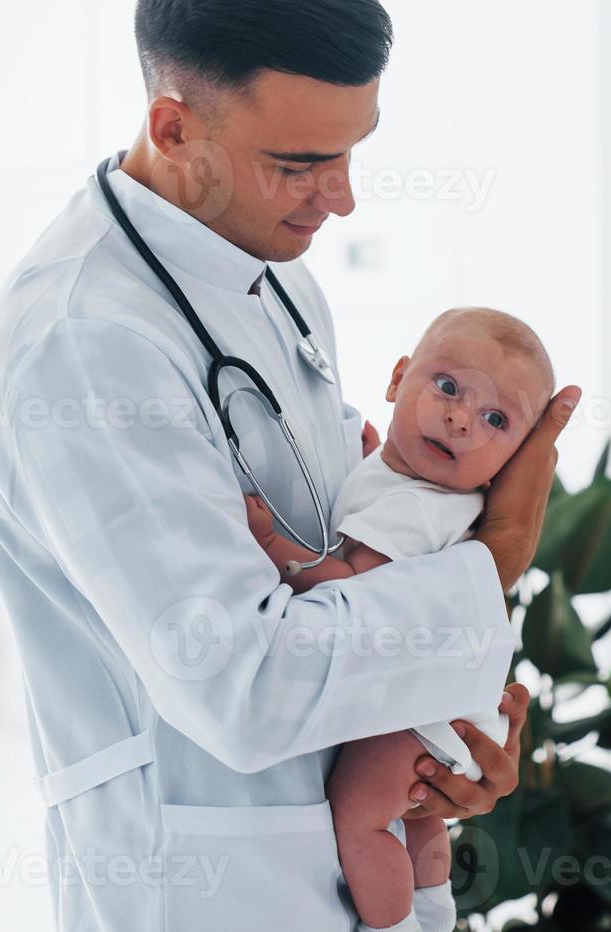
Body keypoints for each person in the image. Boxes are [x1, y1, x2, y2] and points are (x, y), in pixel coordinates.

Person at [0, 0, 582, 929]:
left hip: (339, 842)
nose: (339, 197)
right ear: (172, 127)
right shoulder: (82, 342)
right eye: (297, 162)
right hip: (205, 885)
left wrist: (444, 728)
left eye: (351, 151)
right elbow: (242, 681)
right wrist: (494, 558)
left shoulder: (279, 280)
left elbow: (355, 547)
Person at [246, 307, 556, 932]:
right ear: (396, 380)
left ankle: (393, 927)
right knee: (417, 821)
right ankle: (435, 909)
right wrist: (368, 461)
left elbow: (347, 585)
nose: (461, 419)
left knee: (359, 815)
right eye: (447, 387)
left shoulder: (414, 510)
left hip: (427, 718)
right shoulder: (406, 483)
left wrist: (275, 549)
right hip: (455, 713)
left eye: (496, 420)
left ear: (514, 462)